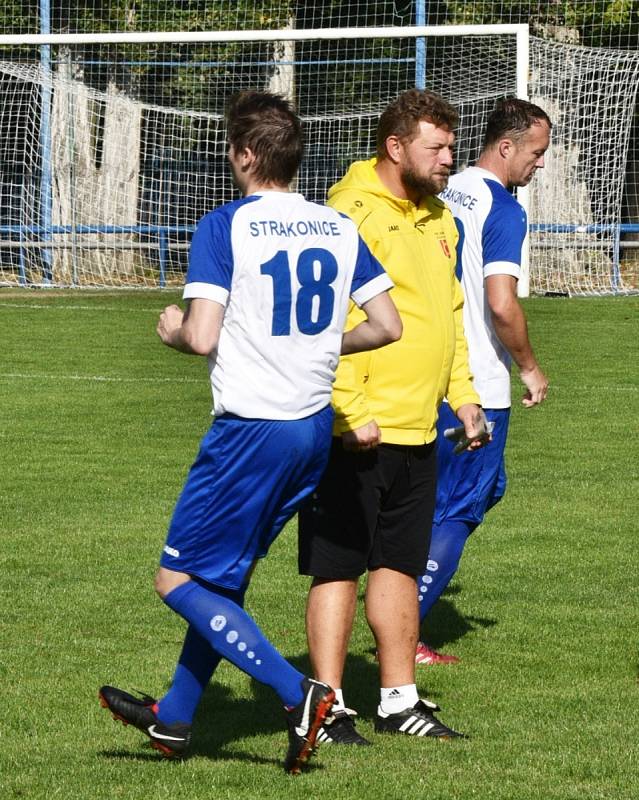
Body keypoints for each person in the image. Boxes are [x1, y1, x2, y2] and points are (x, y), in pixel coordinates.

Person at [97, 90, 402, 774]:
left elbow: (202, 336)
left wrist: (173, 330)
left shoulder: (224, 225)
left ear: (242, 155)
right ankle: (174, 718)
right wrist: (317, 346)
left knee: (176, 579)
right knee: (222, 580)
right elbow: (387, 325)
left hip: (249, 432)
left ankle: (300, 695)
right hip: (308, 431)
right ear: (295, 157)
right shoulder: (335, 227)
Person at [298, 89, 488, 746]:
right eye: (436, 148)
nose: (447, 160)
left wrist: (461, 395)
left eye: (451, 148)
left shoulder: (439, 218)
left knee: (399, 565)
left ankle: (399, 700)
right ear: (395, 146)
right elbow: (330, 323)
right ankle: (326, 707)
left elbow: (451, 316)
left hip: (419, 426)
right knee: (337, 567)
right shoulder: (346, 215)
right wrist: (348, 412)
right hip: (356, 431)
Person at [416, 97, 551, 664]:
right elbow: (502, 303)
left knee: (465, 494)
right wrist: (529, 365)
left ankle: (396, 605)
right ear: (506, 146)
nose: (539, 165)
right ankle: (404, 633)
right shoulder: (504, 210)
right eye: (536, 153)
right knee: (461, 507)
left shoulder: (438, 190)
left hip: (425, 374)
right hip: (477, 384)